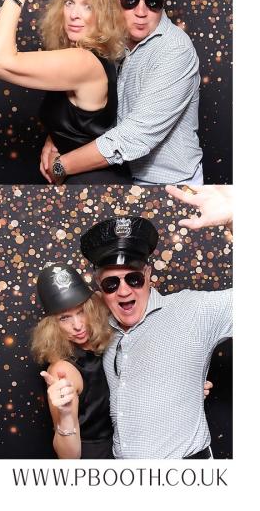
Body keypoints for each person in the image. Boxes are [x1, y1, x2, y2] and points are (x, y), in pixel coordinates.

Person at [79, 188, 232, 459]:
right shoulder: (101, 330)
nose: (123, 291)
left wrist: (235, 219)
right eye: (111, 283)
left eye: (134, 279)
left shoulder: (192, 309)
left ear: (148, 274)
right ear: (100, 287)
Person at [41, 0, 204, 185]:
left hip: (167, 184)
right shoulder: (108, 39)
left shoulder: (175, 50)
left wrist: (61, 165)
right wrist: (57, 137)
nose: (141, 12)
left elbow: (135, 136)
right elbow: (90, 109)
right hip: (116, 176)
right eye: (131, 0)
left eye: (153, 2)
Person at [0, 0, 129, 183]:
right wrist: (55, 138)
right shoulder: (88, 56)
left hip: (94, 183)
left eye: (88, 6)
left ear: (105, 14)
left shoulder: (83, 61)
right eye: (69, 2)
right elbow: (81, 125)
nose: (74, 14)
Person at [30, 264, 115, 459]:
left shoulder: (105, 342)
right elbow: (68, 457)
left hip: (126, 448)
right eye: (64, 318)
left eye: (81, 311)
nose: (77, 325)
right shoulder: (63, 371)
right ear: (52, 325)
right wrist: (66, 416)